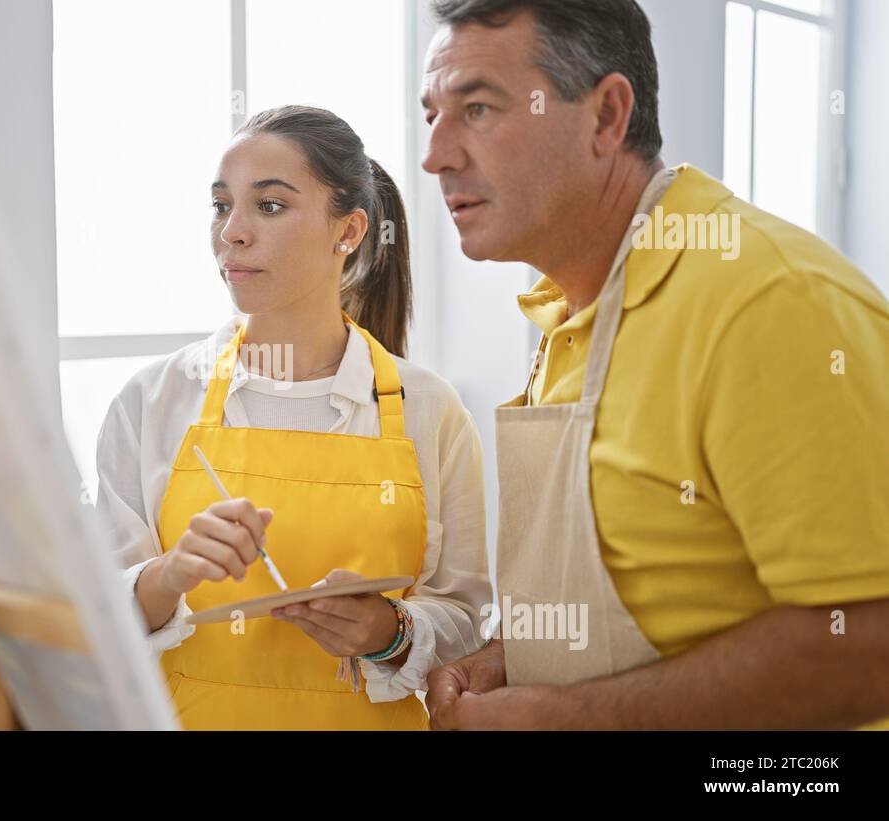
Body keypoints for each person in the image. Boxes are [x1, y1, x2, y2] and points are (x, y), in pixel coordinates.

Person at [419, 0, 889, 730]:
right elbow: (667, 592)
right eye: (432, 115)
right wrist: (518, 655)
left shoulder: (769, 302)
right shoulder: (568, 311)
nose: (436, 154)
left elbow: (869, 641)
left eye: (477, 108)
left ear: (606, 116)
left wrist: (570, 717)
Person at [95, 105, 491, 730]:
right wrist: (168, 576)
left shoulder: (430, 411)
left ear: (350, 231)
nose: (232, 232)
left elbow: (467, 625)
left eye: (270, 206)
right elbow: (95, 625)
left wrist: (390, 631)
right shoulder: (151, 402)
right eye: (221, 205)